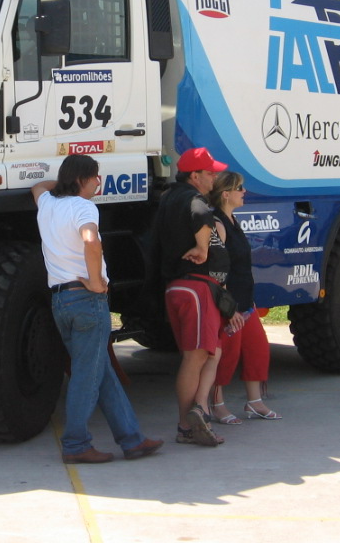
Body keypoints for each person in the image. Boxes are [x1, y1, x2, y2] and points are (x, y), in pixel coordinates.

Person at [32, 155, 163, 465]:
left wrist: (61, 184)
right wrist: (95, 282)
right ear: (82, 180)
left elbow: (38, 186)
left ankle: (132, 439)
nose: (98, 183)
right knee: (86, 376)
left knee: (100, 372)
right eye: (95, 177)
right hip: (87, 301)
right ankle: (76, 443)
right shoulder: (83, 207)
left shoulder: (48, 204)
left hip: (60, 301)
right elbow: (92, 242)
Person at [154, 146, 231, 447]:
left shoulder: (168, 198)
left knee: (207, 353)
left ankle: (198, 412)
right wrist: (202, 248)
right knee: (195, 356)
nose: (215, 178)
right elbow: (201, 216)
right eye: (210, 173)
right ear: (195, 175)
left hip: (177, 286)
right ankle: (187, 425)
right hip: (196, 286)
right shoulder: (193, 199)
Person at [208, 171, 280, 425]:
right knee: (227, 355)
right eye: (240, 188)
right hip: (230, 305)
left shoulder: (233, 220)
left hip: (246, 302)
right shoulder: (218, 223)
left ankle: (254, 402)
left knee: (258, 350)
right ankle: (216, 404)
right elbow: (218, 269)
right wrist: (229, 308)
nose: (244, 192)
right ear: (226, 194)